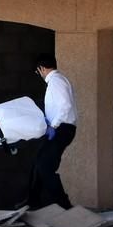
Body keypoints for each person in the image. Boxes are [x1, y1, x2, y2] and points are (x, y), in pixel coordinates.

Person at [29, 53, 77, 209]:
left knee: (45, 166)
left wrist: (53, 126)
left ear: (42, 68)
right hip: (61, 128)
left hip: (61, 129)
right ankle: (33, 202)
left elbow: (65, 106)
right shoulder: (58, 81)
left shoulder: (56, 81)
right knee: (40, 162)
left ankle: (63, 205)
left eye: (37, 72)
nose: (38, 75)